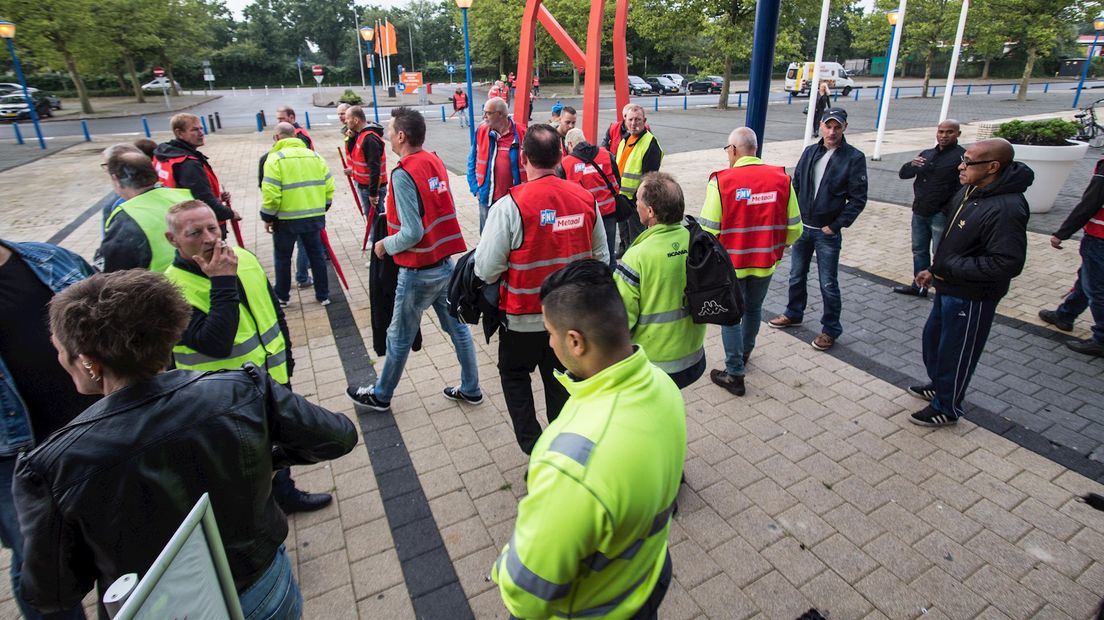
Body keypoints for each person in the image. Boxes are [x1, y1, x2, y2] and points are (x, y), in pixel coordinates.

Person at [14, 269, 357, 617]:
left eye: (60, 350)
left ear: (88, 361)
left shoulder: (51, 466)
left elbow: (51, 592)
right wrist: (266, 458)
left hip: (164, 609)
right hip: (262, 587)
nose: (58, 359)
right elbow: (338, 436)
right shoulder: (240, 389)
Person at [491, 259, 683, 619]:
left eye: (550, 332)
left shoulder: (569, 463)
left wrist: (504, 565)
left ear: (575, 341)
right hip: (645, 582)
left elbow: (525, 594)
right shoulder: (663, 387)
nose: (549, 341)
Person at [164, 200, 333, 514]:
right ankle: (252, 511)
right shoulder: (170, 290)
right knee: (241, 457)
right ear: (172, 239)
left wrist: (287, 358)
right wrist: (222, 280)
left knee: (274, 443)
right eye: (195, 232)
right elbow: (215, 342)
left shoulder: (243, 257)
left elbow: (272, 311)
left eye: (213, 227)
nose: (209, 238)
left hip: (271, 377)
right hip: (221, 395)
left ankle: (284, 494)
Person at [474, 124, 609, 454]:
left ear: (524, 158)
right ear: (562, 156)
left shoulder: (510, 206)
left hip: (523, 320)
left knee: (514, 374)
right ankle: (563, 447)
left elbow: (486, 268)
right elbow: (602, 260)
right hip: (570, 323)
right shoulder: (585, 199)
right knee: (561, 383)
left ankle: (534, 448)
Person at [347, 107, 482, 411]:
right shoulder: (433, 160)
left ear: (403, 136)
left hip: (417, 271)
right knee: (458, 328)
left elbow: (412, 231)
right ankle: (471, 387)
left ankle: (381, 395)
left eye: (392, 132)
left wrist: (383, 245)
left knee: (398, 336)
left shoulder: (403, 173)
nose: (388, 137)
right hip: (444, 265)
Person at [907, 138, 1032, 426]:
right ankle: (940, 385)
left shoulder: (1007, 208)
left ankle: (948, 406)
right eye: (963, 159)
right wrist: (934, 269)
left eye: (969, 162)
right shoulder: (971, 190)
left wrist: (950, 267)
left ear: (992, 167)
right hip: (947, 285)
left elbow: (1007, 263)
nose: (961, 166)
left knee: (956, 352)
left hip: (972, 296)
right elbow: (953, 240)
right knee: (934, 342)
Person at [0, 240, 94, 620]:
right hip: (14, 463)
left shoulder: (49, 258)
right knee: (44, 568)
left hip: (94, 435)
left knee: (121, 544)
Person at [703, 128, 802, 396]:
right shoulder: (781, 178)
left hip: (732, 265)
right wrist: (778, 248)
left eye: (727, 150)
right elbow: (795, 227)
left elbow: (709, 231)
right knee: (754, 308)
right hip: (765, 261)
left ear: (733, 150)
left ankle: (734, 372)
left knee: (731, 316)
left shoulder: (721, 181)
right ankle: (745, 353)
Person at [769, 107, 867, 351]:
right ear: (821, 126)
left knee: (828, 283)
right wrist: (790, 219)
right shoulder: (810, 151)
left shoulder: (854, 158)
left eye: (837, 127)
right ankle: (793, 313)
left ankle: (830, 329)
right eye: (828, 126)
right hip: (803, 227)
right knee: (795, 275)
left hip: (826, 232)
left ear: (845, 127)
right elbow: (796, 185)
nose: (832, 132)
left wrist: (835, 226)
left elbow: (858, 199)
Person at [615, 172, 706, 388]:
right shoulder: (696, 240)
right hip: (692, 357)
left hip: (652, 366)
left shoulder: (637, 256)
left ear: (650, 212)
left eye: (638, 200)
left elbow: (619, 320)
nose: (635, 204)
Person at [260, 122, 335, 307]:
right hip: (313, 218)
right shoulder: (315, 157)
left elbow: (271, 194)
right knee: (316, 256)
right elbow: (329, 186)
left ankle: (283, 297)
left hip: (285, 220)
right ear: (294, 135)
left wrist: (268, 217)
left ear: (277, 137)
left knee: (283, 258)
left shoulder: (274, 159)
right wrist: (321, 208)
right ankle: (323, 295)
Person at [1039, 159, 1104, 357]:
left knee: (1096, 288)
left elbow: (1090, 202)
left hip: (1100, 237)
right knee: (1087, 278)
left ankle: (1101, 338)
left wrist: (1063, 232)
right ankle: (1065, 315)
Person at [893, 120, 965, 297]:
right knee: (919, 249)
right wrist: (911, 165)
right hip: (920, 211)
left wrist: (946, 211)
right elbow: (904, 174)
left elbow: (962, 188)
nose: (944, 136)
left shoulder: (961, 157)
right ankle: (919, 285)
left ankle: (941, 289)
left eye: (949, 132)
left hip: (940, 214)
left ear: (958, 134)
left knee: (940, 253)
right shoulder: (927, 154)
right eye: (941, 131)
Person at [98, 150, 194, 273]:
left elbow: (112, 272)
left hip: (161, 288)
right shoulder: (183, 196)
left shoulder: (126, 217)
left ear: (115, 178)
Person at [153, 113, 239, 233]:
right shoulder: (188, 163)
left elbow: (183, 187)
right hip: (198, 225)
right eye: (194, 129)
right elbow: (203, 199)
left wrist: (217, 196)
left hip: (177, 219)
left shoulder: (164, 155)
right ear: (179, 133)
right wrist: (229, 213)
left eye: (201, 128)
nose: (201, 133)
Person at [561, 127, 620, 263]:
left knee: (585, 257)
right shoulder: (606, 154)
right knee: (609, 255)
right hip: (608, 213)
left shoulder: (566, 163)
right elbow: (617, 181)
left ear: (570, 144)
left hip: (582, 218)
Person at [467, 96, 527, 232]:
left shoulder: (521, 133)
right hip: (486, 197)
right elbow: (472, 161)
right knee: (487, 239)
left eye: (487, 113)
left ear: (500, 114)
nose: (484, 116)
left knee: (512, 236)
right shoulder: (482, 131)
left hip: (514, 199)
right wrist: (475, 188)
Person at [616, 104, 663, 254]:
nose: (633, 123)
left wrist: (639, 199)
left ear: (644, 121)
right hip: (622, 197)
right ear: (625, 121)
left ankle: (635, 262)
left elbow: (649, 177)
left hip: (636, 200)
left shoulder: (650, 143)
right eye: (630, 119)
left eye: (637, 119)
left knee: (637, 236)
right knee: (624, 232)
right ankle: (624, 251)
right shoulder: (624, 141)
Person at [344, 105, 388, 217]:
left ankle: (378, 235)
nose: (345, 121)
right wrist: (352, 138)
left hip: (371, 188)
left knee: (376, 223)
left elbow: (374, 168)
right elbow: (354, 154)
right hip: (364, 186)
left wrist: (373, 194)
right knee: (372, 221)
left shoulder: (369, 139)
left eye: (347, 118)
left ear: (356, 120)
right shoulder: (359, 135)